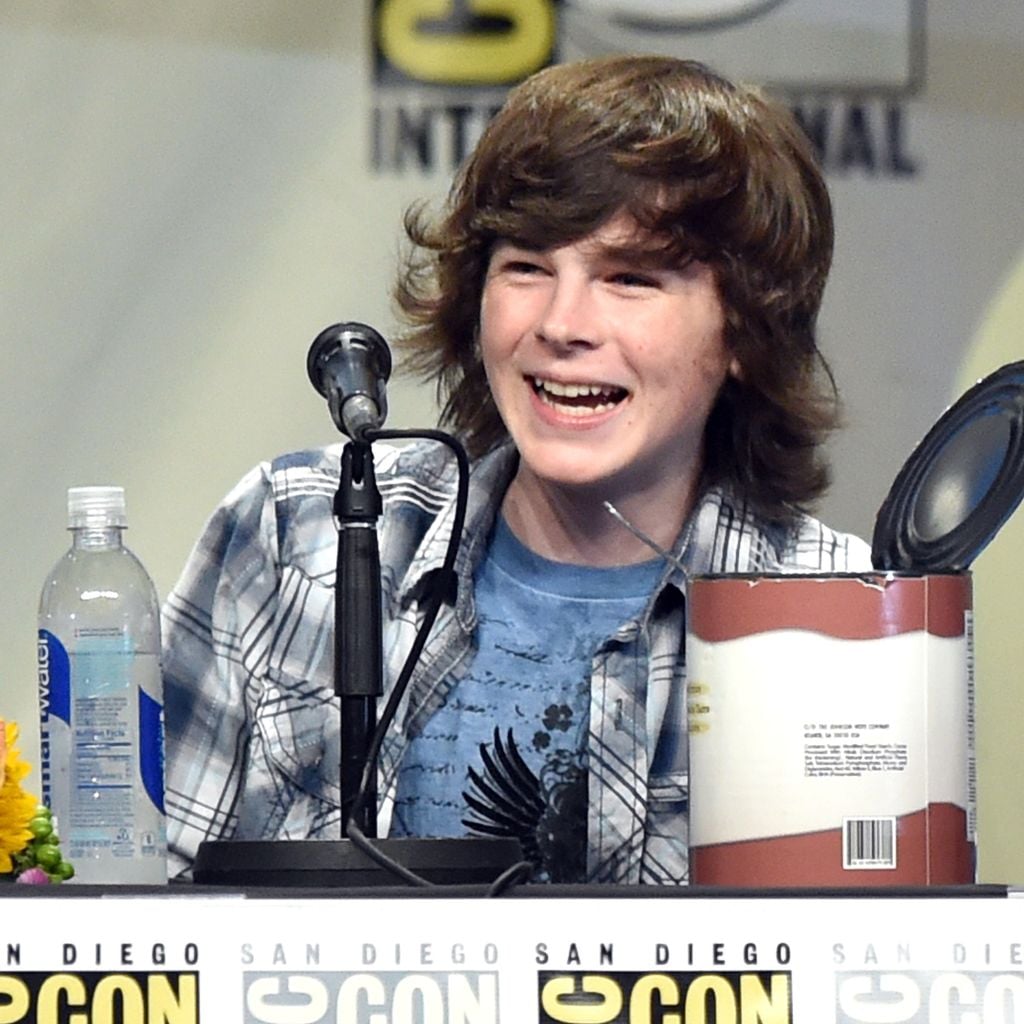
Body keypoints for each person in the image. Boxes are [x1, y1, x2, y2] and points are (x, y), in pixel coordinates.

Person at [161, 54, 872, 883]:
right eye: (527, 267)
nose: (563, 324)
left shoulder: (837, 612)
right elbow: (128, 928)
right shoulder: (298, 531)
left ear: (747, 332)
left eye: (630, 278)